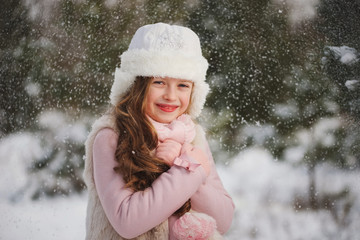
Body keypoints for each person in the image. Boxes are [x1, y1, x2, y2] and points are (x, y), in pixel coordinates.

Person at [83, 22, 234, 240]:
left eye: (183, 85)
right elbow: (127, 221)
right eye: (160, 82)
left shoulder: (192, 136)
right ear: (137, 85)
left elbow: (224, 219)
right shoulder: (112, 136)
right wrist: (184, 172)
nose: (171, 96)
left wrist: (184, 164)